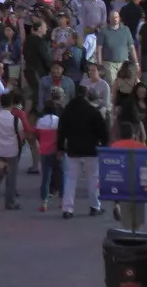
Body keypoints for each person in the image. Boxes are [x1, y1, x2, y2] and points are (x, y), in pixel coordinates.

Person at [58, 87, 109, 218]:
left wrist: (60, 148)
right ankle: (94, 206)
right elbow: (102, 131)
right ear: (87, 96)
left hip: (73, 149)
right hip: (91, 150)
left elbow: (61, 131)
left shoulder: (68, 111)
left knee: (70, 179)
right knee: (92, 179)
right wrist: (105, 145)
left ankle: (67, 209)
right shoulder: (93, 111)